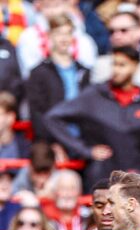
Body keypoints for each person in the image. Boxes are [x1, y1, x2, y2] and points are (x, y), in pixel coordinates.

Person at [44, 45, 140, 190]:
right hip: (101, 178)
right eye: (114, 64)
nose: (116, 70)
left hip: (135, 181)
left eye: (122, 65)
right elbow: (53, 118)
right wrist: (84, 150)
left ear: (135, 66)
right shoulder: (94, 96)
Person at [26, 14, 91, 144]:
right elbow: (37, 114)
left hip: (81, 140)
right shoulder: (38, 72)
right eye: (59, 33)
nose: (64, 38)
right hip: (52, 141)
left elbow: (89, 109)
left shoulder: (84, 71)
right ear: (49, 35)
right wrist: (53, 144)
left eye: (68, 33)